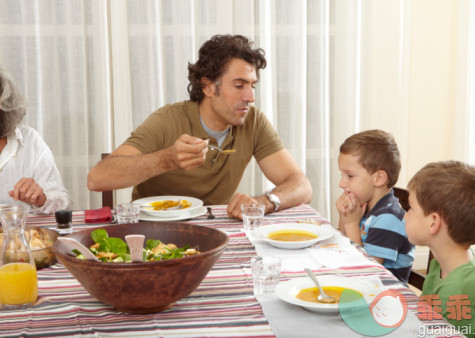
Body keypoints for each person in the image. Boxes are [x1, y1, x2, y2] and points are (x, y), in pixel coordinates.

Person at [87, 35, 312, 218]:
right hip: (155, 233)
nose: (250, 97)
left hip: (217, 232)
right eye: (239, 85)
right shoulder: (167, 119)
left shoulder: (253, 121)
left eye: (252, 85)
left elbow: (302, 186)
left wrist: (264, 202)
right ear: (208, 87)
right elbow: (97, 178)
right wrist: (168, 159)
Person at [405, 161, 475, 337]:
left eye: (411, 208)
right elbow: (423, 318)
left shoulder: (461, 291)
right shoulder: (443, 264)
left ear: (433, 222)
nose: (405, 214)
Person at [336, 129, 414, 283]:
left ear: (379, 179)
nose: (341, 184)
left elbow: (365, 272)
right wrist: (345, 217)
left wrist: (351, 223)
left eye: (350, 176)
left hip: (385, 297)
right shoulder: (365, 207)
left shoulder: (389, 218)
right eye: (342, 175)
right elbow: (343, 246)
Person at [0, 65, 71, 214]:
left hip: (21, 235)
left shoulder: (30, 140)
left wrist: (42, 199)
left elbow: (62, 205)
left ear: (5, 105)